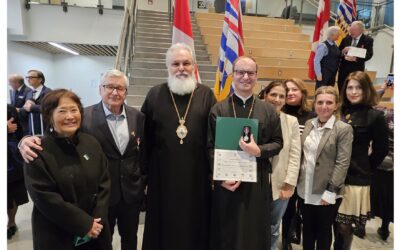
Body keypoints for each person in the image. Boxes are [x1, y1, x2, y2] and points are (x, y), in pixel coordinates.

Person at [19, 69, 146, 250]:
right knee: (102, 239)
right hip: (97, 199)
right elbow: (59, 138)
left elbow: (141, 152)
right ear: (100, 89)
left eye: (120, 88)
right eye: (109, 87)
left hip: (129, 193)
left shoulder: (138, 117)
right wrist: (23, 140)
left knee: (130, 239)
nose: (115, 92)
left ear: (126, 91)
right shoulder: (84, 116)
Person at [140, 43, 217, 250]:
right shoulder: (155, 94)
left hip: (197, 176)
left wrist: (214, 172)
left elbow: (214, 137)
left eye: (186, 63)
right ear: (168, 67)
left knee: (196, 223)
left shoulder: (206, 95)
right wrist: (145, 176)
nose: (181, 68)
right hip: (162, 176)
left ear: (194, 66)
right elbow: (144, 138)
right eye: (176, 64)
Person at [208, 56, 283, 250]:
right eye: (241, 72)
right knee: (226, 231)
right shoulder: (218, 109)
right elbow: (209, 147)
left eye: (250, 73)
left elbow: (278, 143)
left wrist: (259, 150)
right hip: (226, 182)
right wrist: (220, 179)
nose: (245, 77)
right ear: (233, 75)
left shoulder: (268, 110)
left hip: (256, 182)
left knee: (253, 233)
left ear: (256, 76)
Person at [24, 89, 112, 250]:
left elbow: (104, 183)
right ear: (49, 115)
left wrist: (96, 220)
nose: (70, 116)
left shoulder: (91, 143)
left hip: (96, 230)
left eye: (74, 110)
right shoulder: (37, 150)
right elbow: (44, 196)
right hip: (57, 233)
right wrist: (84, 224)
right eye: (62, 111)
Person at [334, 71, 389, 249]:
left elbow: (381, 149)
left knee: (344, 227)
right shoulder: (338, 110)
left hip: (355, 177)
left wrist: (366, 167)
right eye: (350, 87)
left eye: (358, 87)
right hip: (333, 174)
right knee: (333, 222)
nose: (354, 92)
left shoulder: (375, 116)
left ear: (366, 90)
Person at [297, 86, 353, 250]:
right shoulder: (309, 124)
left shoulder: (343, 129)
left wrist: (331, 191)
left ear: (336, 105)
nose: (324, 106)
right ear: (314, 104)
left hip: (326, 191)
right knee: (307, 230)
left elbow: (343, 163)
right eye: (320, 102)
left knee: (323, 232)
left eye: (329, 102)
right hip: (304, 187)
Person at [261, 81, 301, 250]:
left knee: (273, 226)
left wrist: (289, 184)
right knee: (253, 224)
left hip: (280, 184)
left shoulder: (291, 121)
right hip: (256, 183)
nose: (277, 100)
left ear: (285, 100)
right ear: (265, 95)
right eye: (273, 95)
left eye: (281, 96)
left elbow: (294, 155)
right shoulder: (253, 115)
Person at [281, 77, 316, 250]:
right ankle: (286, 239)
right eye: (287, 90)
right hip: (285, 170)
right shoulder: (278, 112)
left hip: (306, 171)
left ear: (303, 93)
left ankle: (298, 231)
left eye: (295, 89)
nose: (290, 93)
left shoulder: (312, 116)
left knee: (303, 208)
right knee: (287, 209)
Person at [370, 103, 393, 241]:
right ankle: (385, 228)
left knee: (372, 195)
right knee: (391, 199)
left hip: (380, 163)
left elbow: (370, 102)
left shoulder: (385, 113)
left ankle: (361, 226)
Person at [7, 104, 29, 239]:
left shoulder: (8, 109)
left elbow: (19, 130)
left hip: (10, 160)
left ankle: (11, 222)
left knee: (13, 193)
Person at [337, 21, 374, 94]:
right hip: (344, 70)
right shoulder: (346, 38)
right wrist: (343, 51)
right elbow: (338, 52)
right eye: (350, 29)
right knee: (342, 90)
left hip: (357, 70)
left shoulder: (368, 40)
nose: (350, 31)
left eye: (353, 30)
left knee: (355, 90)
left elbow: (369, 55)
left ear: (361, 30)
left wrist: (355, 58)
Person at [19, 70, 52, 135]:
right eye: (27, 77)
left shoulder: (49, 92)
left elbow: (50, 108)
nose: (28, 79)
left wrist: (32, 107)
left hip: (45, 128)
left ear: (40, 79)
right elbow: (26, 109)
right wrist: (21, 109)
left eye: (31, 77)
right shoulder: (29, 93)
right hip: (31, 128)